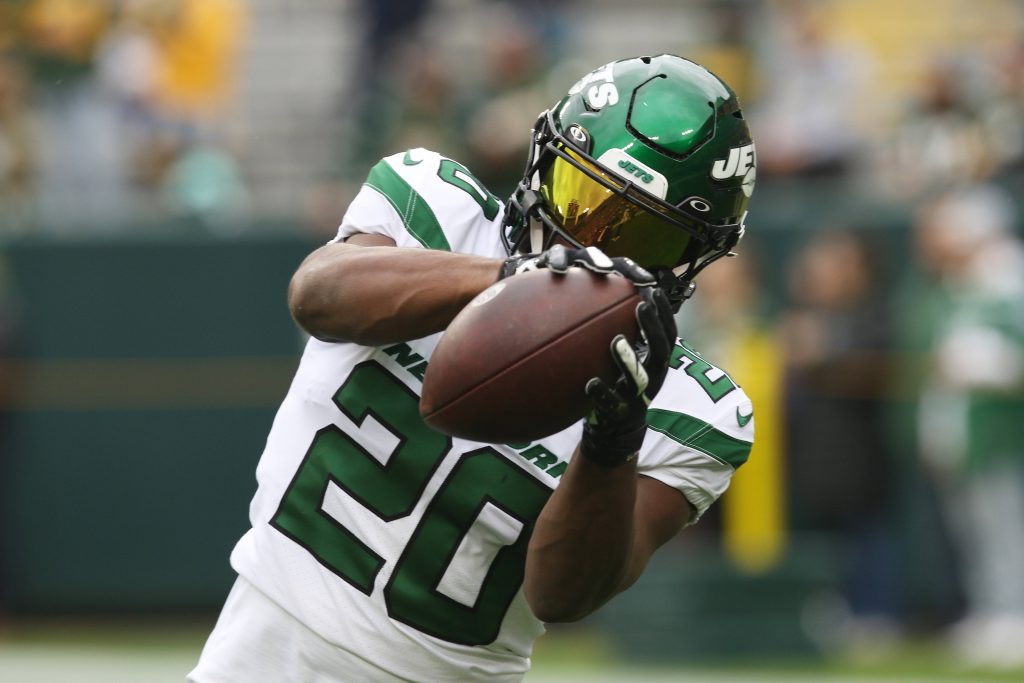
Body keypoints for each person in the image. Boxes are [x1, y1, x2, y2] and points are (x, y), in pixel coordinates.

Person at [189, 54, 757, 682]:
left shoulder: (692, 409)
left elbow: (564, 596)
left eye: (643, 239)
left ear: (693, 257)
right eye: (582, 200)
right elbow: (317, 296)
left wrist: (612, 441)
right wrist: (508, 281)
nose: (593, 248)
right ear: (543, 165)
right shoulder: (438, 208)